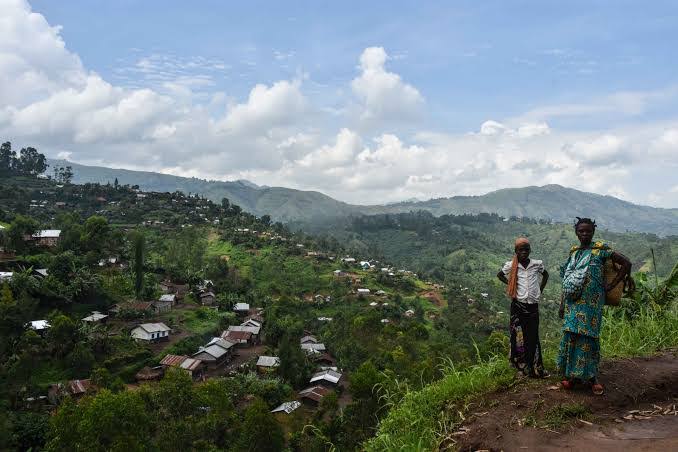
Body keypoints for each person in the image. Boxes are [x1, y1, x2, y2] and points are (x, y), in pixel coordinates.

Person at [557, 217, 632, 395]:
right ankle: (572, 376)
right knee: (573, 336)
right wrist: (562, 304)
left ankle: (591, 378)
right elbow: (566, 280)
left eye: (588, 231)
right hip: (573, 303)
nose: (584, 234)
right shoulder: (574, 252)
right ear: (576, 232)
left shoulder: (601, 250)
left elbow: (626, 263)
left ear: (593, 232)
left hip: (592, 305)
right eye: (581, 231)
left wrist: (612, 285)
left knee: (589, 338)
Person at [497, 237, 549, 378]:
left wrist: (540, 289)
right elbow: (499, 275)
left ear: (530, 250)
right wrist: (511, 284)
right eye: (521, 250)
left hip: (532, 306)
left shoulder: (536, 264)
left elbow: (546, 275)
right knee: (518, 336)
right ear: (516, 251)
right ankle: (521, 367)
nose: (524, 252)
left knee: (532, 337)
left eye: (526, 249)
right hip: (518, 305)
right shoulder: (511, 265)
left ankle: (535, 367)